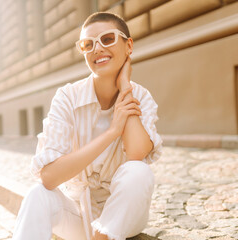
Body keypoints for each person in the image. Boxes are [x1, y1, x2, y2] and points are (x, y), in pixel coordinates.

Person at [12, 12, 162, 240]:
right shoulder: (67, 97)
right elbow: (49, 177)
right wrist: (112, 132)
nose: (97, 49)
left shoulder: (141, 96)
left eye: (108, 39)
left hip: (124, 217)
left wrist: (125, 88)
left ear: (128, 46)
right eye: (87, 44)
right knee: (37, 195)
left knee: (139, 172)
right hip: (77, 213)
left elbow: (136, 153)